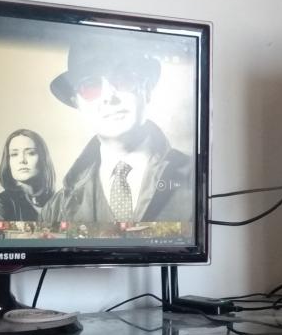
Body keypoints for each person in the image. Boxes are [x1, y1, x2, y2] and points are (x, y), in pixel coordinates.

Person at [39, 28, 193, 224]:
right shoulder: (56, 210)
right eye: (90, 86)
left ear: (146, 89)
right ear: (77, 103)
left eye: (123, 79)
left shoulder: (197, 180)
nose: (108, 96)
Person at [0, 129, 56, 221]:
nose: (22, 160)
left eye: (31, 153)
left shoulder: (58, 201)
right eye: (14, 154)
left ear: (43, 159)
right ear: (8, 161)